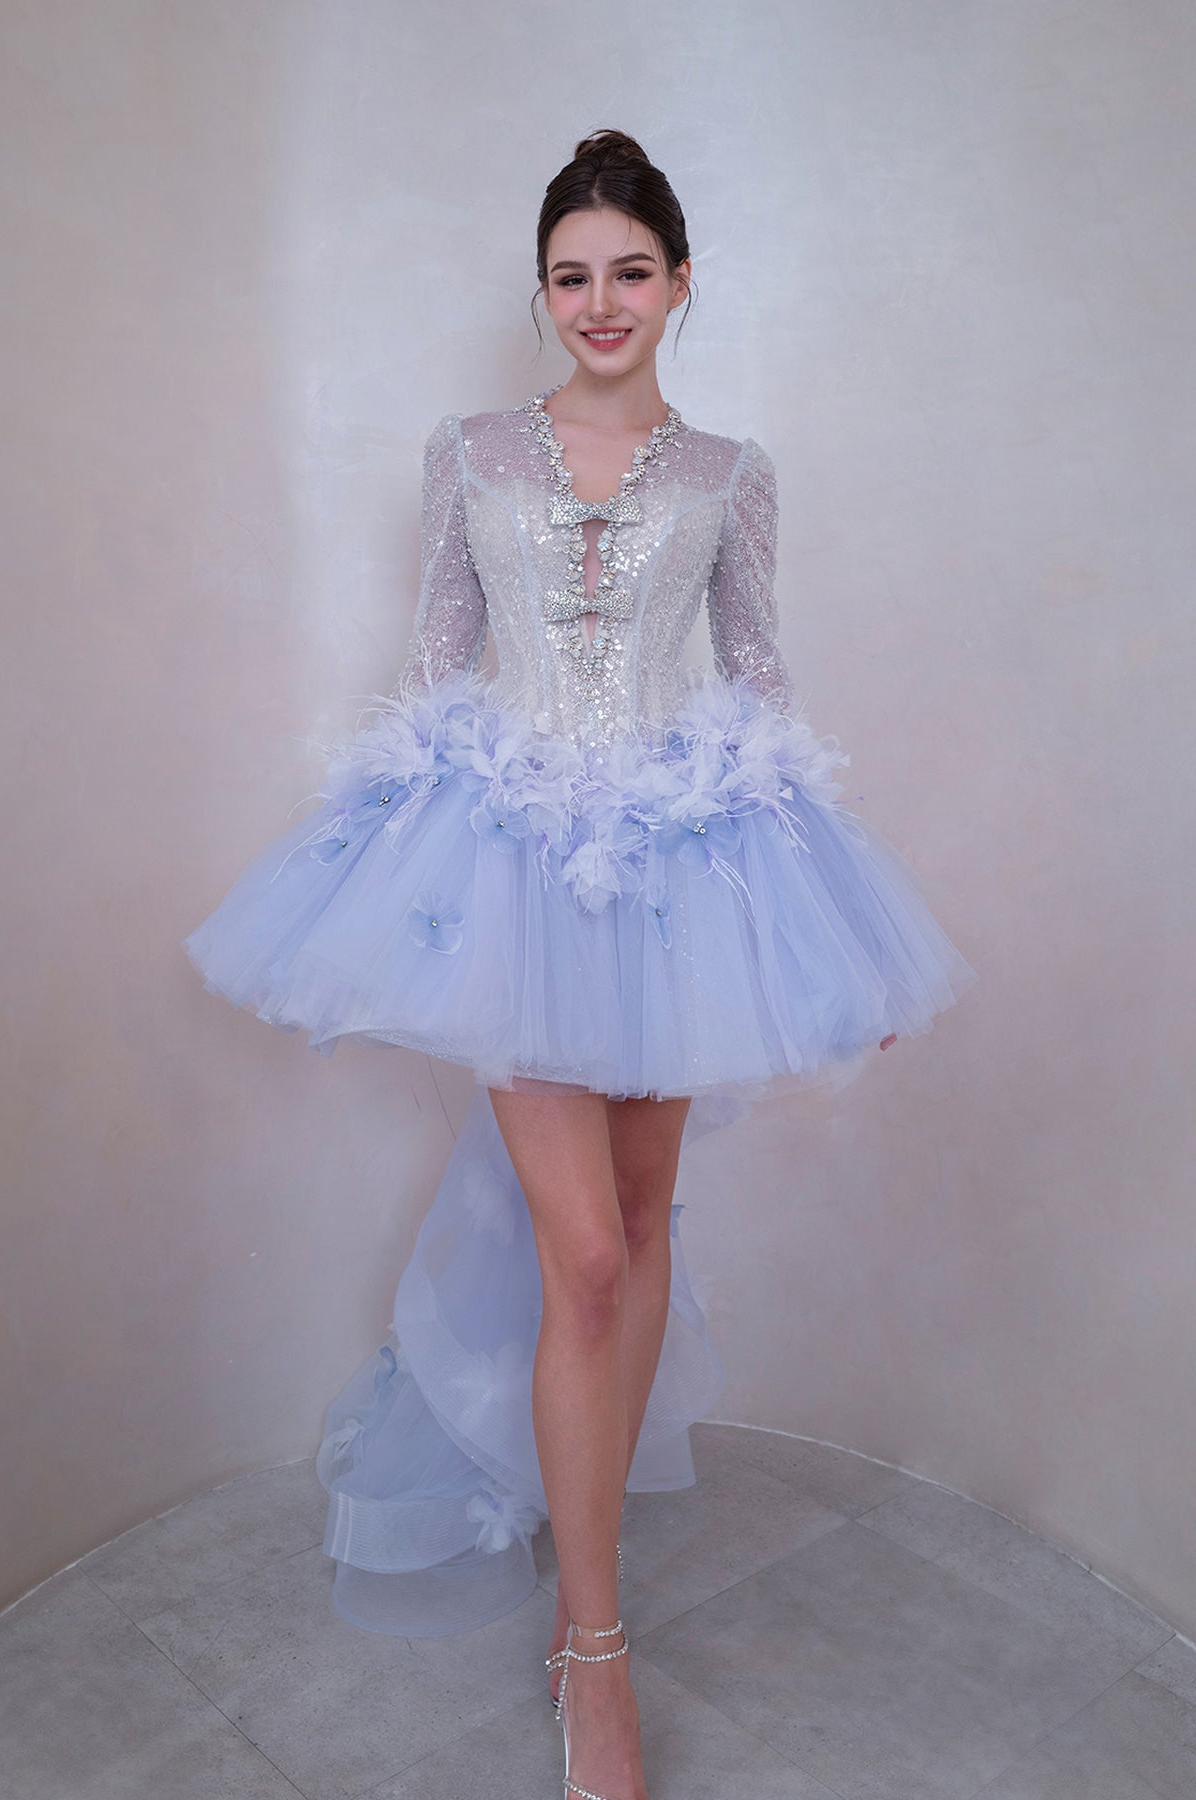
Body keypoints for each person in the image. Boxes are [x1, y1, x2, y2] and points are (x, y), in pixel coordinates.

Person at [184, 129, 978, 1800]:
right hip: (518, 872)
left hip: (679, 875)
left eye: (630, 271)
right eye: (570, 274)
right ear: (540, 291)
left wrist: (838, 930)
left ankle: (585, 1578)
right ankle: (598, 1654)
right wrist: (384, 858)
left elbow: (758, 678)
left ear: (680, 284)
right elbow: (438, 663)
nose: (599, 301)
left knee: (647, 1223)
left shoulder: (732, 473)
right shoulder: (469, 451)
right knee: (591, 1258)